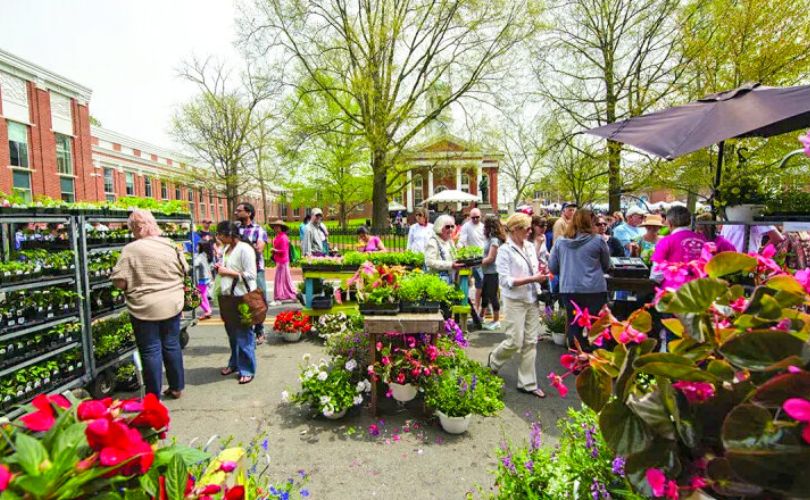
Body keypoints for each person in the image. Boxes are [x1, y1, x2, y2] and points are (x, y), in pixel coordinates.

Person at [111, 209, 186, 399]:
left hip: (144, 307)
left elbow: (120, 281)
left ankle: (154, 396)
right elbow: (185, 269)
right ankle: (176, 387)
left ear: (136, 228)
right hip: (172, 302)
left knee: (150, 350)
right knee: (171, 344)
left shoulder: (131, 249)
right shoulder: (170, 245)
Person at [488, 213, 549, 398]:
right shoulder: (505, 251)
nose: (530, 231)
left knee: (531, 341)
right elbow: (506, 281)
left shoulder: (530, 247)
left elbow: (534, 268)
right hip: (514, 301)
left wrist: (541, 272)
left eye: (530, 228)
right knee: (515, 341)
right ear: (515, 229)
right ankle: (495, 360)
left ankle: (528, 383)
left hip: (532, 298)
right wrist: (533, 278)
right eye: (527, 228)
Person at [548, 209, 611, 350]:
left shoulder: (560, 243)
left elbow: (552, 267)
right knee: (595, 325)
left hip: (570, 289)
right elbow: (607, 265)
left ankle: (576, 357)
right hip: (594, 289)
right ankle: (595, 358)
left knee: (573, 323)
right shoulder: (598, 241)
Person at [214, 221, 258, 385]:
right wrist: (221, 267)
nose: (218, 237)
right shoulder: (226, 248)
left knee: (244, 335)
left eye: (220, 234)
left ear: (229, 235)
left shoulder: (245, 249)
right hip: (228, 297)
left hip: (242, 297)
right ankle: (234, 363)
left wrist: (228, 272)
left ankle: (247, 369)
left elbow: (251, 274)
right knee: (232, 335)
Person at [234, 202, 269, 344]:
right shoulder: (234, 229)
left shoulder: (258, 230)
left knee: (258, 299)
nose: (236, 212)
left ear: (248, 213)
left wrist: (241, 248)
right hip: (237, 271)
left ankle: (259, 330)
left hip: (256, 269)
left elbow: (259, 249)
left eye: (239, 210)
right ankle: (246, 331)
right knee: (240, 300)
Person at [651, 206, 709, 288]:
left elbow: (656, 275)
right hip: (699, 290)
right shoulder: (704, 240)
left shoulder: (666, 241)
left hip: (673, 291)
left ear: (669, 222)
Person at [458, 208, 487, 314]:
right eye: (473, 217)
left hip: (482, 258)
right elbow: (462, 240)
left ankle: (479, 306)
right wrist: (461, 250)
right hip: (471, 259)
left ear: (481, 216)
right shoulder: (466, 226)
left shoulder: (483, 227)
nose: (475, 219)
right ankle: (472, 305)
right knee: (472, 283)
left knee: (482, 284)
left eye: (477, 217)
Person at [481, 215, 505, 330]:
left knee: (492, 295)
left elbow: (491, 258)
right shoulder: (491, 238)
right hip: (487, 272)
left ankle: (496, 320)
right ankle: (481, 317)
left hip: (492, 272)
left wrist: (476, 263)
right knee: (485, 295)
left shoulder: (494, 240)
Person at [424, 214, 465, 283]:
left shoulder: (450, 242)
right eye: (447, 227)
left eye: (452, 226)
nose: (451, 229)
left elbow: (454, 258)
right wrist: (450, 265)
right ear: (439, 227)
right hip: (437, 282)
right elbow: (429, 262)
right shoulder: (433, 242)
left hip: (450, 279)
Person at [268, 219, 297, 305]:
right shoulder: (278, 236)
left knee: (279, 280)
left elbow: (284, 251)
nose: (275, 228)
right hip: (280, 261)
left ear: (282, 228)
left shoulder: (283, 237)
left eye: (277, 226)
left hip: (282, 261)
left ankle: (278, 298)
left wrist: (274, 250)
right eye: (275, 226)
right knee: (284, 279)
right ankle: (291, 295)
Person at [194, 240, 214, 320]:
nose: (196, 247)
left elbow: (195, 263)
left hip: (201, 278)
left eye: (198, 246)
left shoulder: (200, 256)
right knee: (204, 295)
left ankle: (208, 310)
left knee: (196, 296)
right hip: (206, 278)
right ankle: (207, 311)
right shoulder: (206, 255)